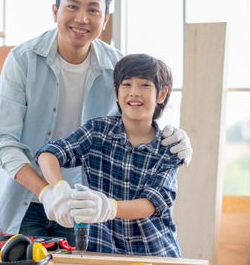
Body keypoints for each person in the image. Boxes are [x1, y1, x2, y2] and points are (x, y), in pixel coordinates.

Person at [0, 0, 192, 243]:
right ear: (55, 11)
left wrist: (169, 135)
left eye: (93, 10)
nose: (82, 18)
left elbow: (132, 122)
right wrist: (48, 192)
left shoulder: (118, 67)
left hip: (84, 205)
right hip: (21, 200)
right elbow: (3, 142)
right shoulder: (23, 60)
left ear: (105, 20)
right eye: (72, 7)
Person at [36, 53, 182, 256]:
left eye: (145, 85)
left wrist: (109, 207)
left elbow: (150, 204)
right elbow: (48, 154)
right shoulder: (97, 131)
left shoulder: (169, 148)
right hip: (103, 252)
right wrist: (59, 188)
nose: (134, 93)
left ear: (162, 94)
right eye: (127, 84)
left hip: (155, 253)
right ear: (116, 92)